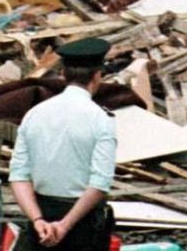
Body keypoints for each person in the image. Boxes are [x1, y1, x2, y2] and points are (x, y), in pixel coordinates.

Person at [8, 38, 117, 250]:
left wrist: (37, 220)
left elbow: (19, 175)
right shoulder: (101, 119)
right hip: (81, 220)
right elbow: (99, 183)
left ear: (63, 75)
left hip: (41, 216)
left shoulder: (35, 114)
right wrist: (65, 226)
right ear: (97, 76)